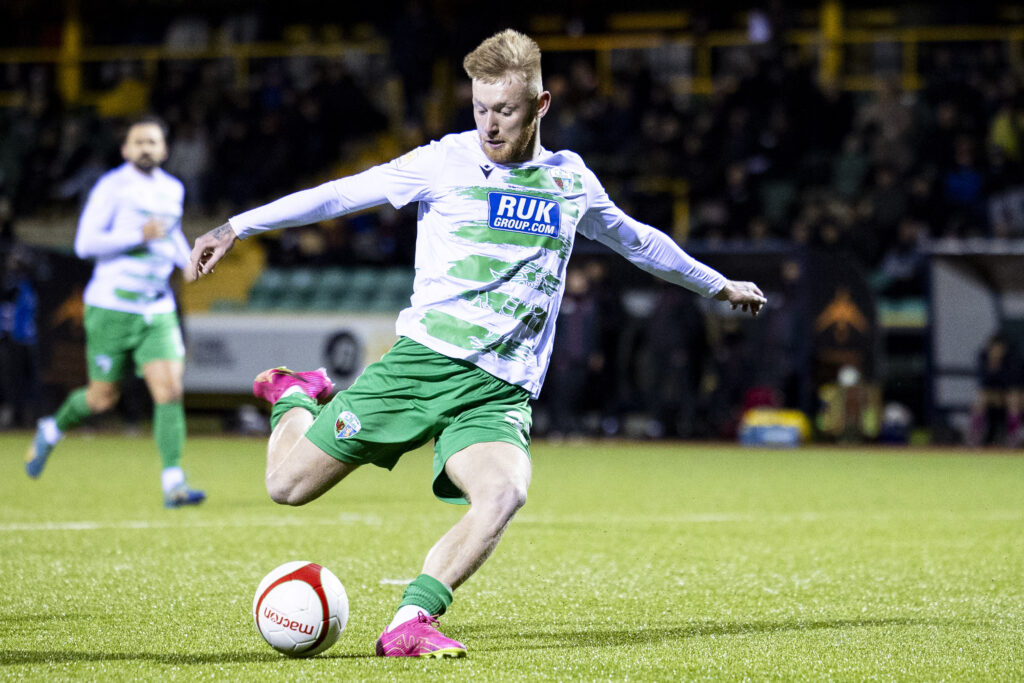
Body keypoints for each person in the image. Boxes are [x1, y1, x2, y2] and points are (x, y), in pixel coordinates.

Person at [187, 29, 765, 658]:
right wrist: (238, 225)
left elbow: (639, 240)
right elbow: (342, 193)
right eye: (480, 108)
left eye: (506, 110)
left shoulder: (571, 181)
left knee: (504, 491)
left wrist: (718, 284)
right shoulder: (444, 162)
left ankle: (411, 620)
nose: (490, 124)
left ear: (541, 106)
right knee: (287, 488)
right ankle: (295, 395)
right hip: (424, 367)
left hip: (501, 390)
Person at [25, 116, 205, 508]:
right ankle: (52, 428)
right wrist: (136, 236)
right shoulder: (111, 187)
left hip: (156, 307)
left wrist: (187, 261)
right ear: (125, 150)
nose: (146, 148)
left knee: (170, 390)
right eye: (138, 142)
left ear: (165, 149)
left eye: (153, 142)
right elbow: (85, 244)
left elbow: (170, 232)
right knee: (102, 397)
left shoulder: (173, 188)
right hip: (112, 306)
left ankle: (174, 482)